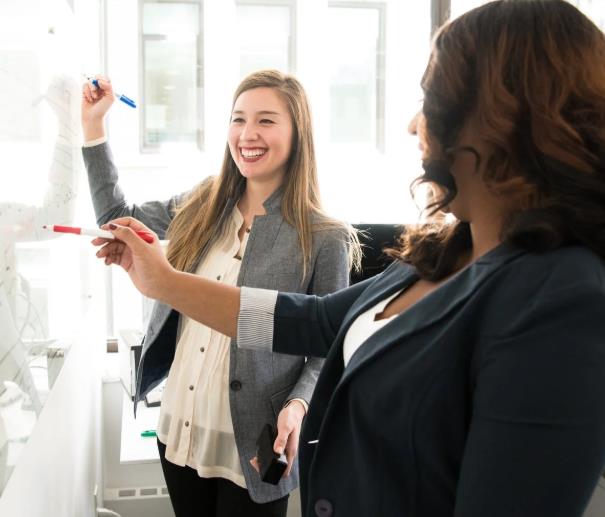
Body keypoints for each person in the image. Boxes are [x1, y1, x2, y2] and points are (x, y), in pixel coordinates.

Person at [92, 1, 605, 516]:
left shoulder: (563, 300)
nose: (411, 124)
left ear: (502, 116)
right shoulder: (441, 253)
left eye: (432, 99)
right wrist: (164, 283)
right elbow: (314, 320)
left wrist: (293, 404)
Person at [81, 69, 359, 516]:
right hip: (181, 426)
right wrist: (94, 126)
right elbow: (117, 215)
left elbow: (328, 345)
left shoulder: (325, 237)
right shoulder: (205, 202)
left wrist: (298, 404)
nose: (248, 134)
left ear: (297, 133)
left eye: (266, 120)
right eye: (238, 119)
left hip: (253, 442)